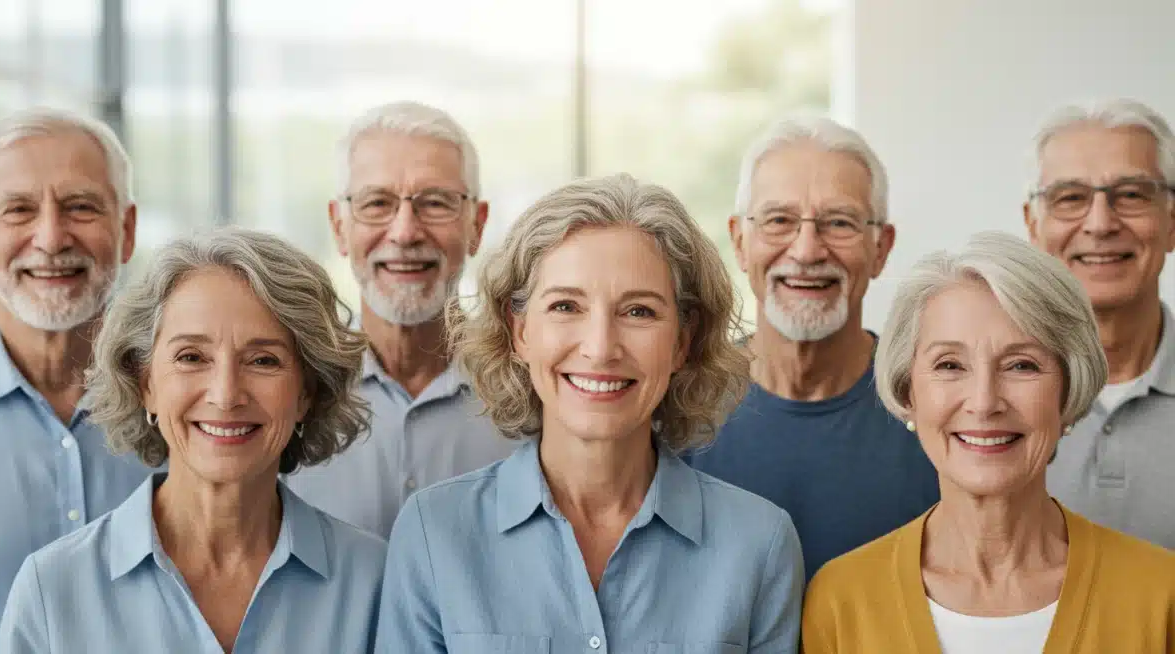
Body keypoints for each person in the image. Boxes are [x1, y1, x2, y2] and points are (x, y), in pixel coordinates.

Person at [374, 174, 805, 653]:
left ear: (682, 342)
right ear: (520, 332)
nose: (600, 348)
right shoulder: (433, 533)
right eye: (565, 306)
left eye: (639, 311)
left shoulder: (760, 545)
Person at [0, 228, 387, 653]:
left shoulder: (374, 581)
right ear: (145, 383)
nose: (225, 393)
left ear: (306, 393)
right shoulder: (51, 590)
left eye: (262, 360)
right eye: (191, 357)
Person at [802, 231, 1175, 653]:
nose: (984, 402)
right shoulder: (840, 601)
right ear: (909, 392)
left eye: (1021, 365)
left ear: (1068, 393)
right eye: (949, 364)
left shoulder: (1162, 597)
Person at [686, 116, 939, 579]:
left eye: (838, 223)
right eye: (779, 220)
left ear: (880, 247)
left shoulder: (935, 408)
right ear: (740, 241)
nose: (806, 251)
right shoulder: (679, 408)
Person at [287, 101, 515, 539]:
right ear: (339, 227)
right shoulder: (290, 393)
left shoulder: (534, 393)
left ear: (477, 225)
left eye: (435, 203)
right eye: (377, 203)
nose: (406, 231)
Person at [0, 107, 151, 650]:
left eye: (80, 207)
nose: (51, 239)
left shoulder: (192, 410)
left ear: (125, 232)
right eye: (19, 210)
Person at [1024, 99, 1175, 550]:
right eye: (1070, 198)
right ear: (1033, 225)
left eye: (1131, 195)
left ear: (1172, 221)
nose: (1100, 223)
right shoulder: (982, 398)